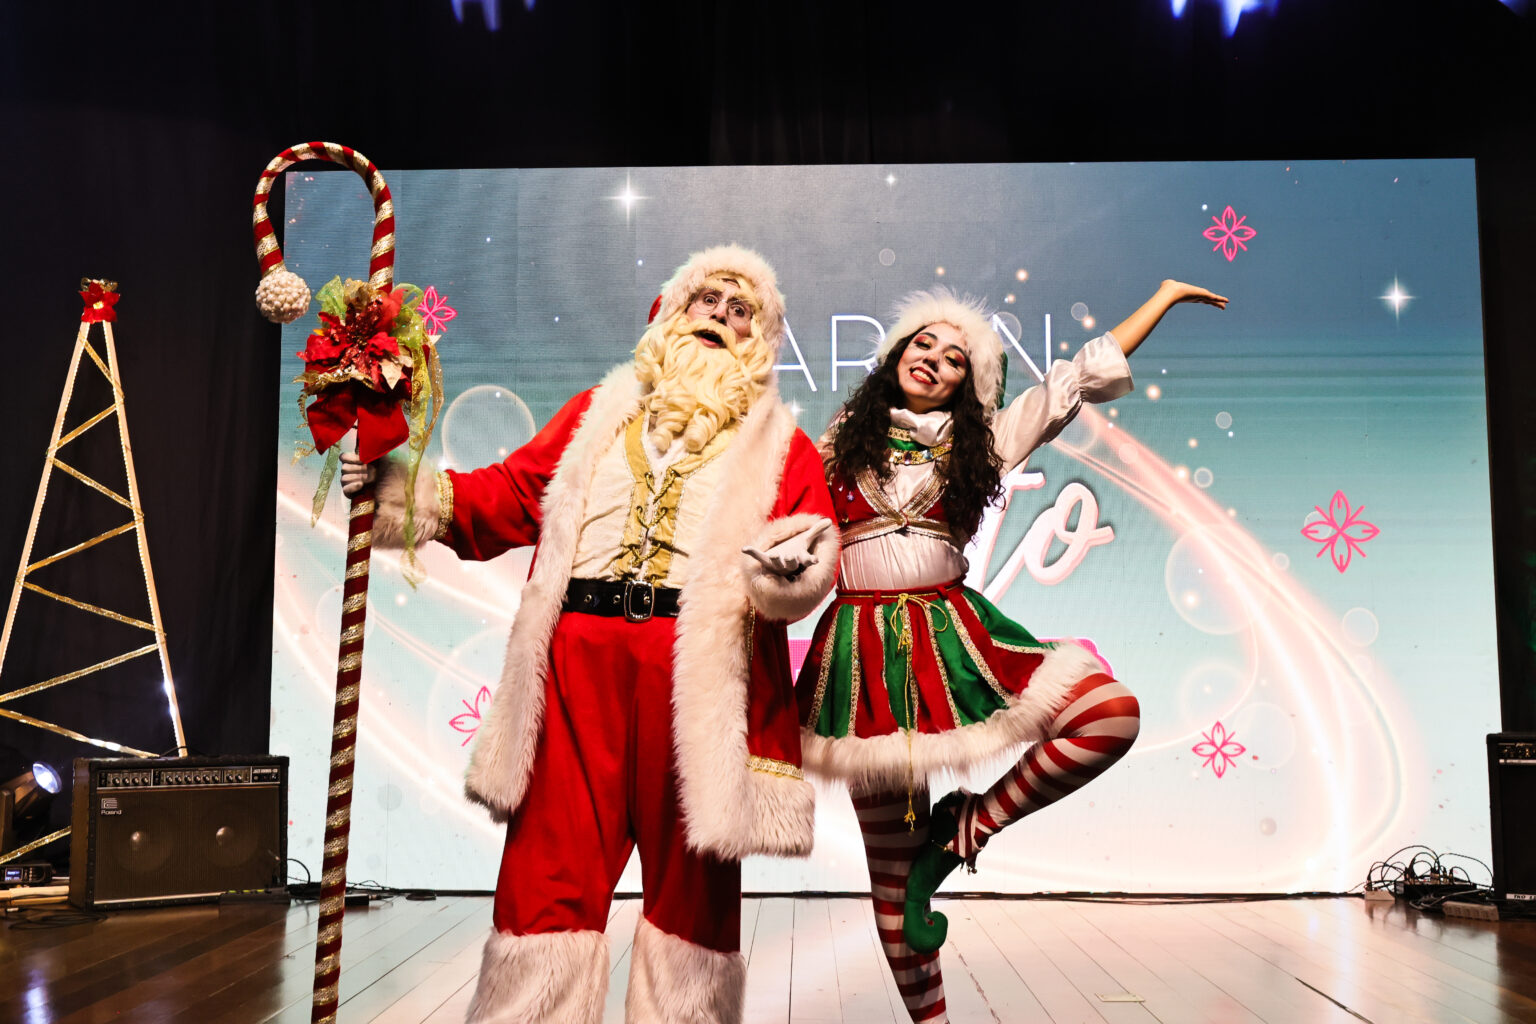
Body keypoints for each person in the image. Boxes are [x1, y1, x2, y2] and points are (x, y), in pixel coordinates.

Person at [344, 245, 839, 1024]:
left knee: (692, 897)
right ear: (670, 313)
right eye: (706, 299)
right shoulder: (596, 414)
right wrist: (396, 488)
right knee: (548, 871)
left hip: (698, 683)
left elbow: (808, 550)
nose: (719, 316)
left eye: (741, 310)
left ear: (761, 341)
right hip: (576, 670)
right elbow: (510, 495)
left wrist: (792, 568)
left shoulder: (782, 445)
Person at [797, 281, 1227, 1023]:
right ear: (895, 355)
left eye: (954, 358)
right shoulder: (840, 443)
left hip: (955, 641)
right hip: (861, 660)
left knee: (1109, 713)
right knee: (894, 892)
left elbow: (1079, 377)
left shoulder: (983, 442)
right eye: (922, 344)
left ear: (969, 385)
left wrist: (1160, 298)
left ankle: (964, 830)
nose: (933, 359)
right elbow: (782, 521)